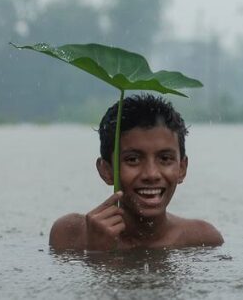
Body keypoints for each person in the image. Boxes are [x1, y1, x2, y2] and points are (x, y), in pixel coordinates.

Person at [49, 93, 223, 251]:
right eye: (133, 159)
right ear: (106, 170)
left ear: (182, 168)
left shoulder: (202, 241)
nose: (151, 174)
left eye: (165, 159)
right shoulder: (69, 235)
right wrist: (97, 252)